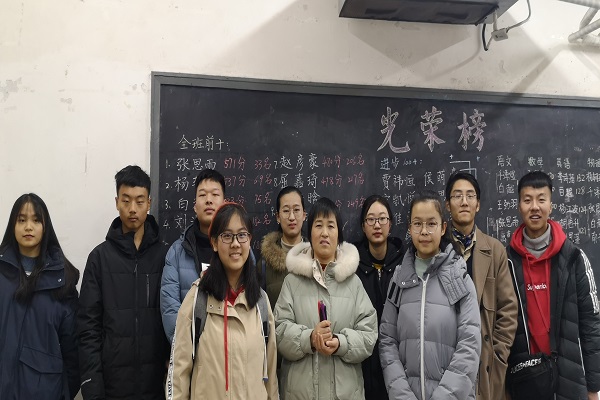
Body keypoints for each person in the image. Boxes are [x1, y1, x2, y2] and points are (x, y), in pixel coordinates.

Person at [166, 202, 279, 400]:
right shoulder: (197, 299)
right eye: (227, 236)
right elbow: (178, 374)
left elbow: (270, 377)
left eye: (242, 235)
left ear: (249, 240)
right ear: (214, 243)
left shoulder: (261, 302)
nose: (235, 243)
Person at [506, 170, 600, 400]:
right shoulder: (505, 262)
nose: (534, 207)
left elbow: (591, 325)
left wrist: (594, 387)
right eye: (527, 200)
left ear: (551, 205)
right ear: (519, 206)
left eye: (541, 199)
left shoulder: (574, 259)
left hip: (570, 381)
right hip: (525, 382)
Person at [78, 165, 169, 400]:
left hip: (155, 387)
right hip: (111, 388)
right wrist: (92, 388)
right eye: (126, 201)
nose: (132, 209)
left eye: (139, 201)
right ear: (117, 202)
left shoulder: (165, 257)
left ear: (149, 203)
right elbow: (88, 329)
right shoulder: (99, 258)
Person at [379, 190, 481, 400]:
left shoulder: (458, 277)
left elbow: (470, 344)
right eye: (417, 224)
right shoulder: (399, 279)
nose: (424, 231)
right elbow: (387, 341)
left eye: (431, 224)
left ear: (443, 228)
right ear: (409, 229)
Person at [274, 197, 378, 400]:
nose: (324, 233)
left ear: (339, 234)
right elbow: (279, 331)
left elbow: (369, 335)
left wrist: (341, 343)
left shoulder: (353, 283)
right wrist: (309, 339)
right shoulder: (292, 282)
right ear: (310, 232)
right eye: (318, 225)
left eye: (331, 226)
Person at [444, 171, 517, 400]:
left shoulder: (495, 250)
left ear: (478, 204)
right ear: (447, 205)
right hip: (447, 358)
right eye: (457, 196)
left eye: (470, 196)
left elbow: (508, 309)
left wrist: (498, 355)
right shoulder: (437, 248)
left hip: (485, 364)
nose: (464, 202)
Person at [0, 193, 80, 400]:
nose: (28, 227)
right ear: (12, 226)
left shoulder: (63, 281)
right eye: (21, 220)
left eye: (36, 220)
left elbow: (73, 353)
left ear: (45, 227)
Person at [161, 168, 226, 343]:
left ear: (224, 203)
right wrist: (189, 349)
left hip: (231, 351)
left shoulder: (240, 250)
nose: (209, 200)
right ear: (195, 206)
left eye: (215, 194)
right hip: (191, 350)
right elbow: (170, 309)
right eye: (202, 195)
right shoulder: (177, 252)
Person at [353, 194, 404, 400]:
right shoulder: (352, 267)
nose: (377, 225)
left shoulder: (405, 264)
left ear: (390, 224)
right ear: (363, 226)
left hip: (399, 363)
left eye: (382, 218)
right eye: (371, 219)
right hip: (363, 365)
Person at [257, 186, 307, 308]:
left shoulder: (316, 257)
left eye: (296, 210)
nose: (291, 217)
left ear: (304, 215)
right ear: (278, 217)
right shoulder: (264, 265)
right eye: (286, 211)